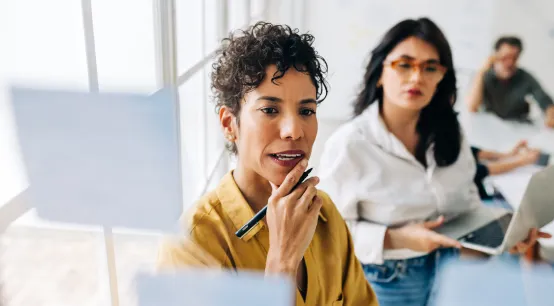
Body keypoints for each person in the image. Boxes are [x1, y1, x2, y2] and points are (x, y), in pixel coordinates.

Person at [317, 18, 549, 306]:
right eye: (404, 64)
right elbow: (325, 234)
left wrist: (504, 237)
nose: (417, 78)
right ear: (379, 73)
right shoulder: (350, 144)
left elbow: (466, 206)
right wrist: (396, 238)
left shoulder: (450, 133)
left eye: (430, 68)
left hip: (452, 270)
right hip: (386, 280)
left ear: (441, 78)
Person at [157, 22, 378, 306]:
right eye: (270, 110)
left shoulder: (325, 215)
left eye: (306, 111)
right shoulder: (192, 245)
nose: (294, 131)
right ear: (229, 124)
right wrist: (282, 264)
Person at [466, 36, 554, 127]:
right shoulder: (482, 75)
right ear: (495, 56)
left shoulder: (524, 77)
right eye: (505, 57)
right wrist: (481, 72)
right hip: (489, 127)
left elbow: (544, 99)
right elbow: (472, 107)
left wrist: (551, 115)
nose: (510, 63)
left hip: (516, 126)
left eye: (514, 58)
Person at [471, 140, 541, 199]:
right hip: (479, 197)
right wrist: (523, 161)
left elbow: (475, 152)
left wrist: (509, 154)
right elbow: (482, 170)